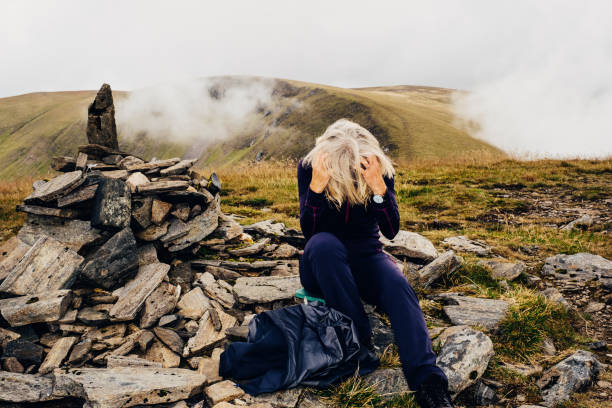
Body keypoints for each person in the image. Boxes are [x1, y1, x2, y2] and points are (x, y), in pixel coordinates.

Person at [297, 119, 453, 408]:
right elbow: (310, 232)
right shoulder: (310, 167)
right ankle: (359, 339)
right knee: (323, 244)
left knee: (398, 287)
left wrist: (379, 190)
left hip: (367, 257)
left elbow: (391, 230)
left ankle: (428, 381)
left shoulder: (377, 169)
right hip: (322, 264)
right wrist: (317, 190)